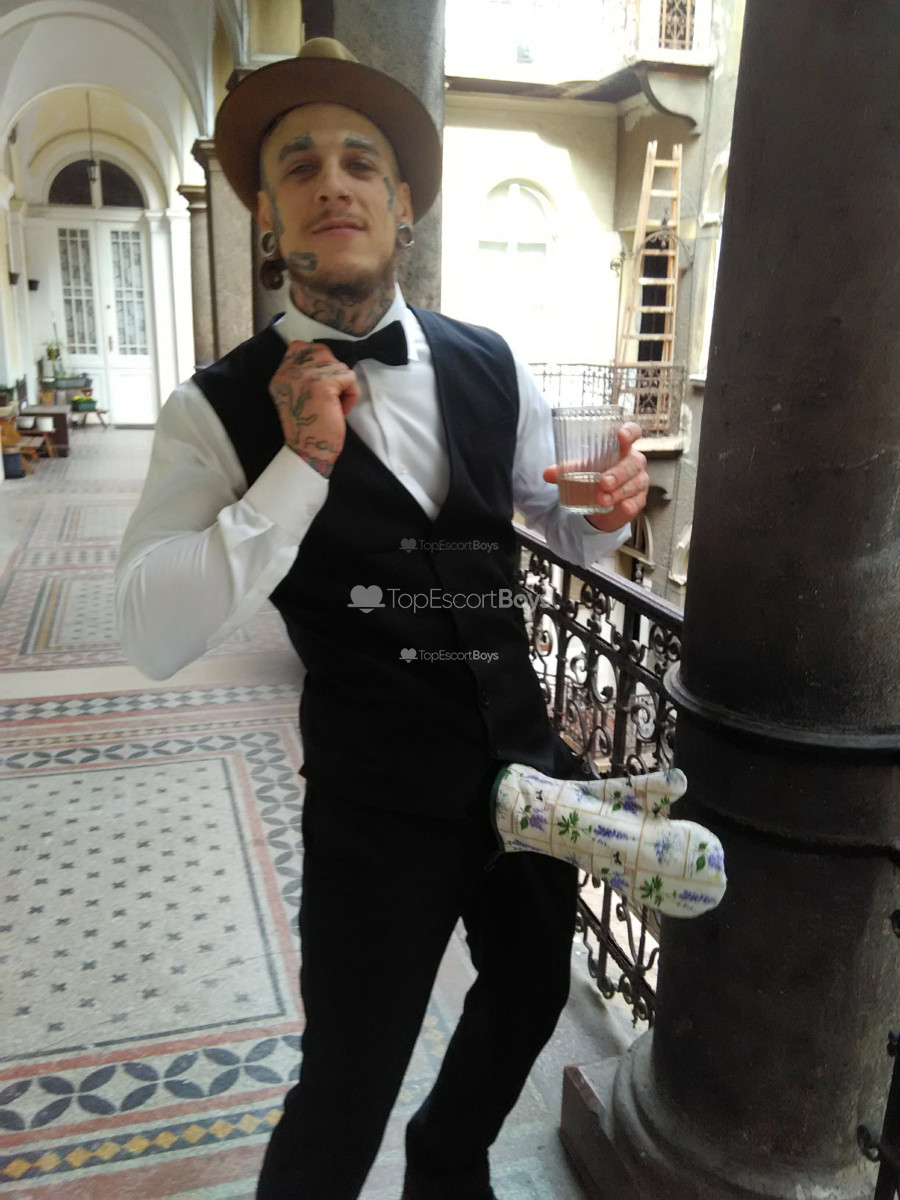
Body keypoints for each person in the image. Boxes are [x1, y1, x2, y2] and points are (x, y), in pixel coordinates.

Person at [115, 38, 650, 1200]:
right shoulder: (212, 411)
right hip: (375, 811)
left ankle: (446, 1165)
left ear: (404, 205)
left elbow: (568, 529)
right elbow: (149, 629)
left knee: (530, 994)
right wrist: (298, 466)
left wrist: (609, 506)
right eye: (299, 166)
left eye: (361, 162)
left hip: (528, 776)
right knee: (344, 1090)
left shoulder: (489, 362)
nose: (334, 184)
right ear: (269, 217)